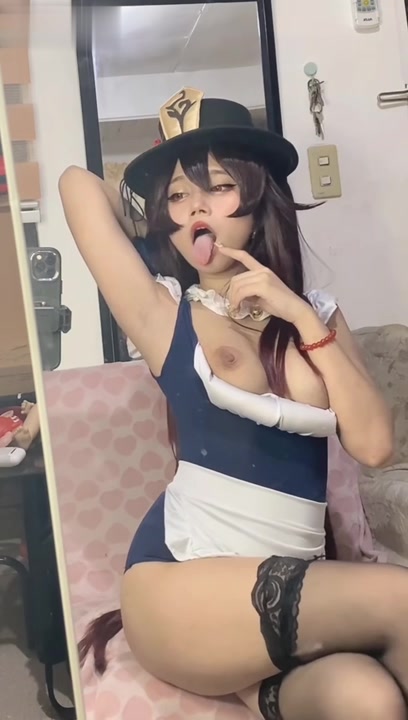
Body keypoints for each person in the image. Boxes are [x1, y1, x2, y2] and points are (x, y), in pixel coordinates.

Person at [58, 88, 406, 720]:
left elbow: (376, 446)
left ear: (258, 196)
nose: (196, 206)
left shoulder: (318, 316)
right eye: (179, 196)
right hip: (181, 583)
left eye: (218, 187)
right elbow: (76, 184)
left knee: (369, 698)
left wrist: (299, 314)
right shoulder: (162, 312)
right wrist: (155, 215)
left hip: (282, 594)